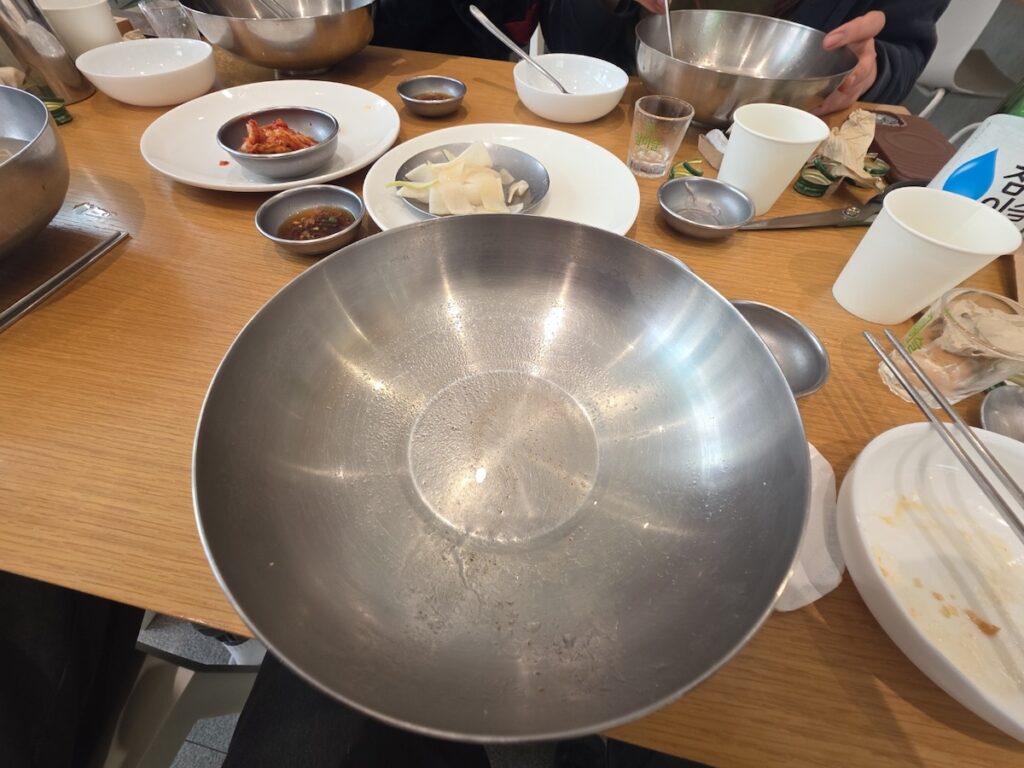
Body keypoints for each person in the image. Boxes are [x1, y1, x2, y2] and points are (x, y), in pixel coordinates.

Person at [371, 1, 949, 113]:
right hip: (633, 111)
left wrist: (872, 70)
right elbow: (577, 47)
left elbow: (903, 56)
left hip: (793, 126)